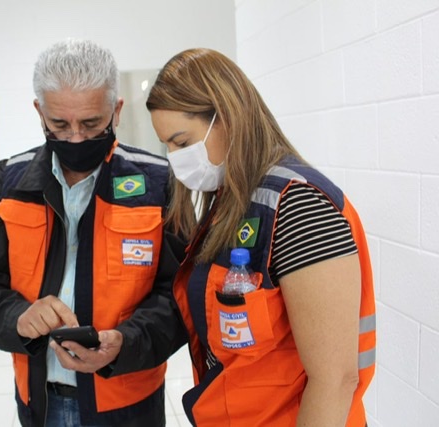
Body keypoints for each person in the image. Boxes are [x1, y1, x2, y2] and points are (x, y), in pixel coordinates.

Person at [0, 39, 186, 427]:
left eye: (92, 123)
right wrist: (17, 317)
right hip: (41, 399)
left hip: (128, 401)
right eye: (60, 125)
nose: (76, 138)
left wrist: (126, 343)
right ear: (39, 112)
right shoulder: (11, 180)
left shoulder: (158, 181)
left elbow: (180, 294)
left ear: (115, 110)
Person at [145, 48, 377, 426]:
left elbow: (335, 380)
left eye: (182, 143)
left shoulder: (299, 206)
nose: (174, 158)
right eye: (167, 146)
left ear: (226, 117)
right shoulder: (235, 202)